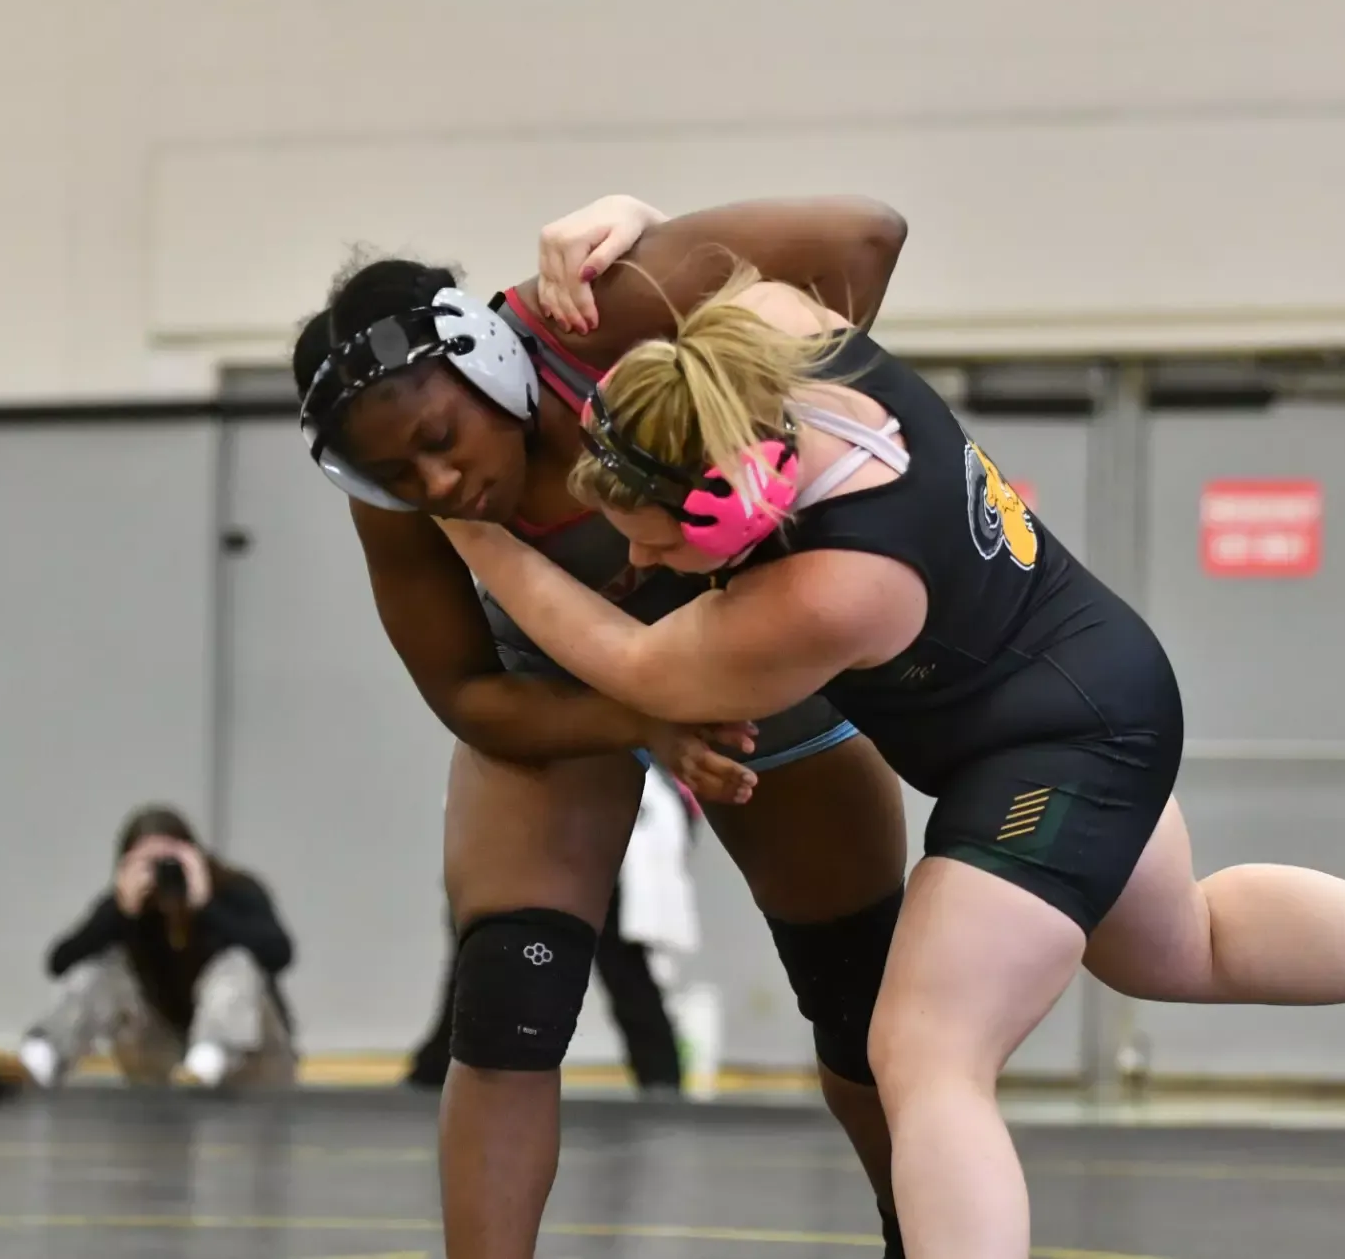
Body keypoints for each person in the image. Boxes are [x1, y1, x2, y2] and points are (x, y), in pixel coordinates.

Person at [430, 257, 1345, 1259]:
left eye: (658, 548)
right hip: (1094, 680)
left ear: (731, 504)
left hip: (1058, 742)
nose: (643, 568)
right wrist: (620, 218)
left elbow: (638, 667)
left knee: (920, 1055)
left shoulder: (836, 585)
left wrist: (479, 544)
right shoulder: (785, 338)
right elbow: (748, 264)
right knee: (1175, 944)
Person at [292, 194, 913, 1259]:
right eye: (399, 475)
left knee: (864, 1011)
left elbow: (867, 237)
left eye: (440, 440)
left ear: (487, 356)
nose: (438, 483)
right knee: (505, 1003)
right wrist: (638, 714)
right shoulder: (400, 501)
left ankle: (928, 1232)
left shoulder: (593, 322)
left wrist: (661, 239)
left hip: (750, 669)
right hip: (571, 691)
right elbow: (463, 692)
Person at [0, 804, 297, 1097]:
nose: (163, 876)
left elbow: (278, 954)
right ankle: (38, 1062)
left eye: (171, 861)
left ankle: (207, 1065)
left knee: (236, 963)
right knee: (102, 970)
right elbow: (60, 962)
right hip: (165, 1058)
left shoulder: (233, 891)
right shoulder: (124, 912)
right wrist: (120, 913)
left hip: (252, 1060)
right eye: (148, 864)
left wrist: (205, 905)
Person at [406, 760, 698, 1095]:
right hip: (516, 839)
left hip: (592, 844)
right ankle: (433, 1069)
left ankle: (661, 1077)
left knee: (626, 972)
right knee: (477, 963)